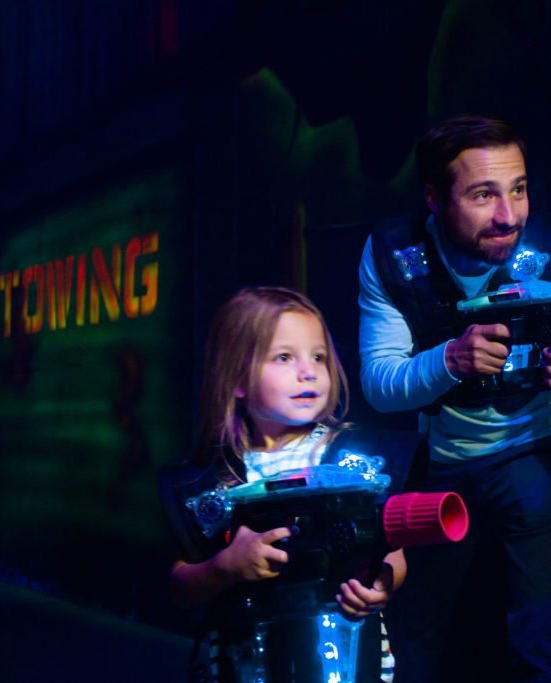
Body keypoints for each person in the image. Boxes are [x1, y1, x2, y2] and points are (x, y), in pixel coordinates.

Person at [357, 115, 551, 682]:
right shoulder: (393, 255)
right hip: (439, 459)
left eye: (518, 189)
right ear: (434, 198)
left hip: (529, 449)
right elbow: (379, 383)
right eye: (483, 194)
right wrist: (450, 359)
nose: (509, 215)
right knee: (412, 632)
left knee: (542, 633)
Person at [159, 286, 411, 682]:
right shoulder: (210, 481)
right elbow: (180, 586)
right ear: (237, 379)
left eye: (318, 357)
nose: (308, 371)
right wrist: (225, 567)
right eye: (283, 357)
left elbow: (391, 552)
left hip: (345, 655)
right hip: (246, 661)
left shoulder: (352, 459)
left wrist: (383, 582)